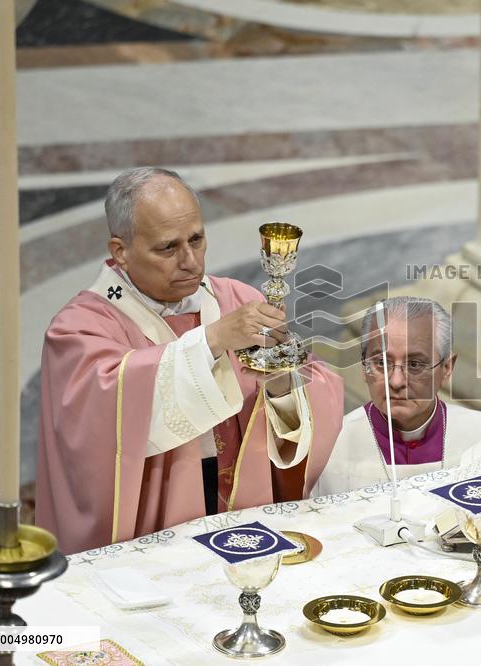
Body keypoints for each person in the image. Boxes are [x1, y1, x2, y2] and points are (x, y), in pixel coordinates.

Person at [36, 167, 344, 554]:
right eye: (168, 248)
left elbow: (311, 394)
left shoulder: (236, 298)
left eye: (197, 240)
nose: (191, 262)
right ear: (121, 251)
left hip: (240, 503)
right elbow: (100, 424)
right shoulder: (80, 329)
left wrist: (283, 381)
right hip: (149, 519)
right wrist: (212, 341)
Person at [311, 297, 481, 496]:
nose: (396, 382)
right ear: (364, 367)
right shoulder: (327, 450)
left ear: (447, 368)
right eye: (382, 363)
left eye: (414, 365)